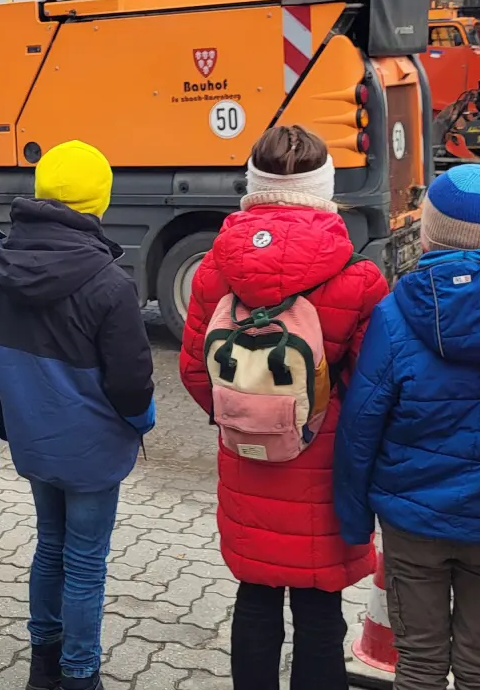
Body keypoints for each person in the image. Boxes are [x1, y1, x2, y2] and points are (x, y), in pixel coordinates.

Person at [334, 164, 480, 690]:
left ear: (427, 231)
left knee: (417, 665)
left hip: (412, 522)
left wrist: (354, 523)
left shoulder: (394, 315)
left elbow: (360, 427)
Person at [177, 124, 385, 690]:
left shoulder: (214, 272)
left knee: (256, 601)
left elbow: (195, 370)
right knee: (320, 613)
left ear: (254, 183)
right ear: (324, 187)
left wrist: (243, 418)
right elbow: (373, 391)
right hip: (325, 474)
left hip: (246, 462)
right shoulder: (358, 278)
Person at [0, 140, 155, 690]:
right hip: (92, 451)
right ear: (98, 203)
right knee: (85, 562)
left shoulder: (0, 267)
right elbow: (132, 382)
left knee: (49, 545)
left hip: (34, 442)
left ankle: (43, 665)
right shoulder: (110, 283)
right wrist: (142, 422)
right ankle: (80, 674)